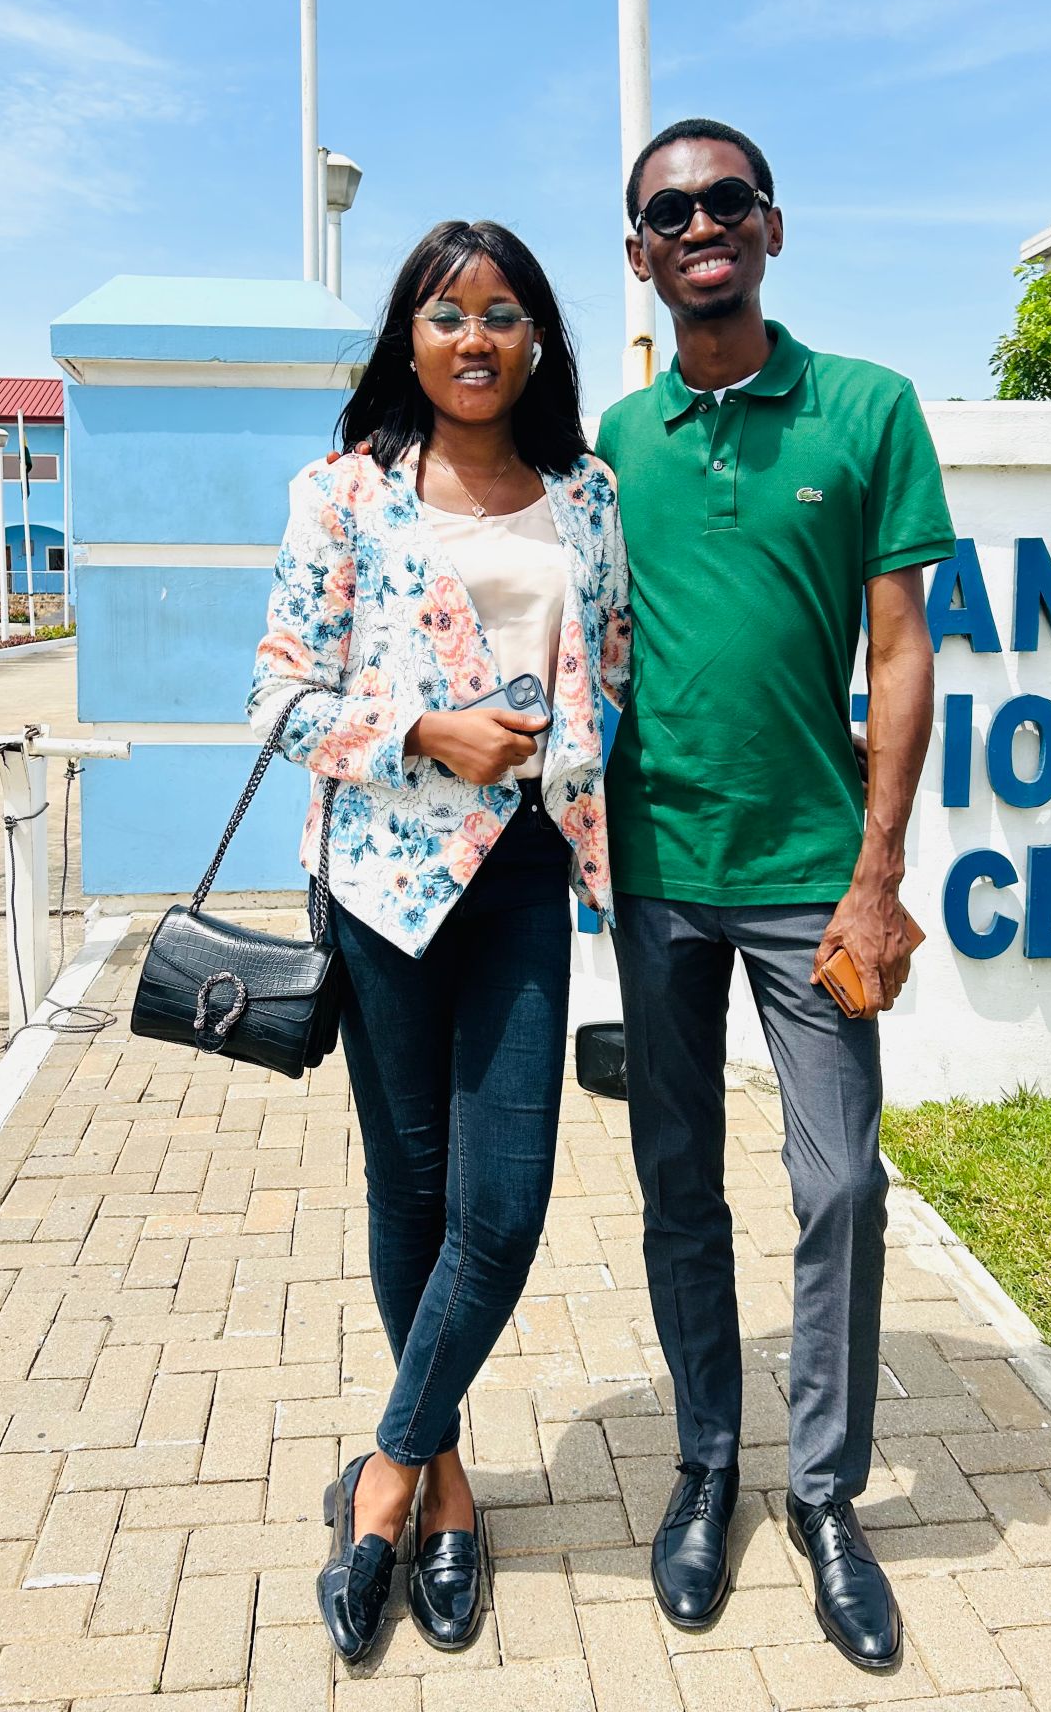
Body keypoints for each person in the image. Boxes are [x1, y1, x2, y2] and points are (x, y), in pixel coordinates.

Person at [596, 119, 954, 1671]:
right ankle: (703, 1470)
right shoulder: (617, 440)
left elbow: (901, 648)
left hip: (816, 880)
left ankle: (824, 1497)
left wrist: (880, 875)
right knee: (679, 1184)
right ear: (639, 252)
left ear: (772, 226)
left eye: (726, 200)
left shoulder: (867, 409)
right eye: (671, 210)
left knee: (842, 1186)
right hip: (656, 878)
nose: (701, 225)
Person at [247, 220, 630, 1663]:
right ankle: (452, 1484)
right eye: (448, 313)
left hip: (524, 872)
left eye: (504, 312)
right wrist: (424, 729)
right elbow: (278, 696)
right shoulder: (343, 493)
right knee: (411, 1192)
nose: (477, 338)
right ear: (407, 340)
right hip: (386, 888)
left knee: (505, 1205)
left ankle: (386, 1473)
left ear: (538, 340)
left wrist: (570, 756)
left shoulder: (585, 495)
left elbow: (614, 665)